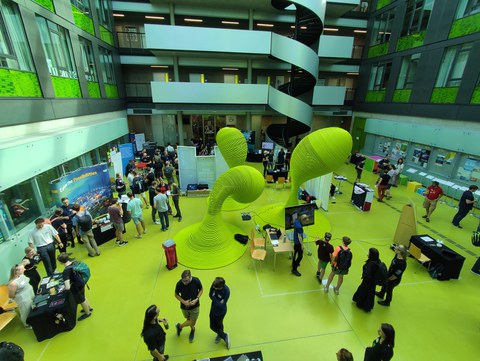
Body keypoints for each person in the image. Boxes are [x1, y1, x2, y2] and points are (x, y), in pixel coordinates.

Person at [57, 253, 93, 321]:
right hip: (81, 283)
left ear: (60, 262)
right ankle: (89, 307)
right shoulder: (74, 263)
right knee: (83, 296)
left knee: (81, 299)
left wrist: (63, 289)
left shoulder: (66, 271)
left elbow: (67, 287)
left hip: (76, 287)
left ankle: (87, 313)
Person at [175, 270, 203, 343]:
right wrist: (184, 302)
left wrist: (197, 299)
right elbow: (176, 294)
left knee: (193, 322)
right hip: (184, 307)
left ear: (190, 277)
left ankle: (180, 326)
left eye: (186, 281)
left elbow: (201, 289)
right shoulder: (179, 283)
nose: (185, 283)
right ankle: (192, 329)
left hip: (195, 306)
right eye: (183, 281)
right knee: (188, 319)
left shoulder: (196, 280)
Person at [352, 248, 381, 312]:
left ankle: (361, 304)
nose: (367, 253)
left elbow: (368, 274)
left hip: (367, 281)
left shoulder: (371, 264)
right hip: (372, 282)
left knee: (364, 292)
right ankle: (367, 305)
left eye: (369, 252)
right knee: (370, 293)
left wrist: (365, 277)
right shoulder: (377, 261)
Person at [7, 264, 35, 328]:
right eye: (23, 269)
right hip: (23, 298)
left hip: (30, 293)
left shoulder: (21, 275)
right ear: (17, 271)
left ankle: (33, 318)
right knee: (25, 311)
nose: (24, 269)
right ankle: (26, 324)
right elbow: (11, 295)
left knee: (31, 307)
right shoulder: (13, 283)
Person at [209, 277, 230, 349]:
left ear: (221, 287)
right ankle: (224, 335)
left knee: (219, 324)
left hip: (221, 312)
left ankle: (221, 335)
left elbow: (221, 305)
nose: (214, 288)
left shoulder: (226, 291)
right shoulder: (215, 283)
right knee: (212, 326)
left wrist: (214, 297)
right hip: (213, 309)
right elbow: (210, 295)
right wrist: (215, 299)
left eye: (216, 288)